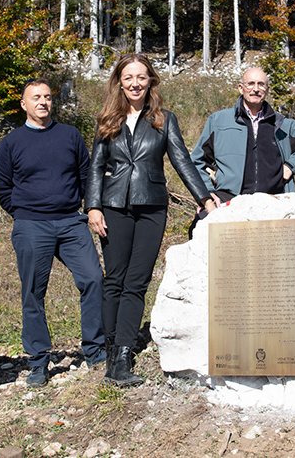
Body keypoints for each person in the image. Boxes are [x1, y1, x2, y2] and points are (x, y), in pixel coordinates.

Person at [85, 54, 215, 387]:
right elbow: (95, 167)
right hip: (114, 205)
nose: (135, 83)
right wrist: (93, 207)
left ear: (150, 81)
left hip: (152, 206)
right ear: (119, 81)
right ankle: (111, 352)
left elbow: (182, 161)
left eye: (141, 77)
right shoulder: (106, 120)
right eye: (128, 77)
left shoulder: (163, 119)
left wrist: (204, 198)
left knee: (137, 281)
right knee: (114, 279)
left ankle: (125, 355)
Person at [0, 78, 105, 388]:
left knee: (93, 279)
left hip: (71, 221)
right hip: (32, 226)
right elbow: (0, 188)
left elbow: (86, 175)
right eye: (36, 97)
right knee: (33, 292)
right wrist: (25, 213)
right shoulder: (12, 142)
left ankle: (95, 349)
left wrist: (86, 206)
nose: (43, 102)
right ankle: (39, 361)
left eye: (47, 97)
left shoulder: (69, 135)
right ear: (23, 104)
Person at [190, 66, 295, 205]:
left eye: (261, 84)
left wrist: (291, 166)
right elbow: (198, 161)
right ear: (241, 88)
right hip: (229, 200)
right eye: (251, 84)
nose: (256, 89)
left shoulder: (281, 123)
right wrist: (208, 193)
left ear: (267, 89)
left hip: (275, 201)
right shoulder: (218, 121)